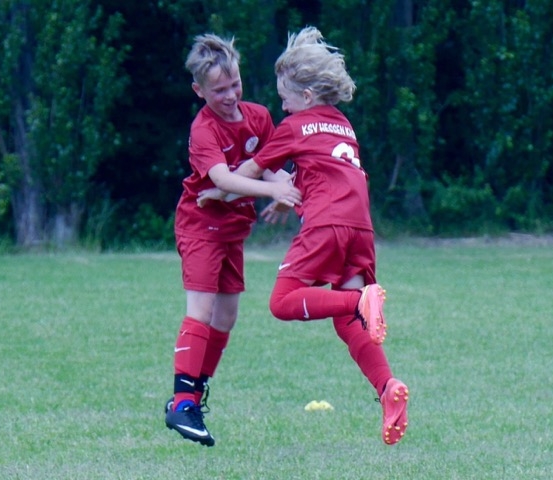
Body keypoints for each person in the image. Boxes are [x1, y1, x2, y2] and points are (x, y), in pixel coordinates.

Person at [197, 26, 409, 445]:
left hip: (327, 225)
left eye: (285, 99)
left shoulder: (294, 126)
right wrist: (287, 198)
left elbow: (251, 171)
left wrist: (218, 191)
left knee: (282, 302)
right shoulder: (344, 125)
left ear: (307, 97)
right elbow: (326, 173)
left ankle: (359, 300)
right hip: (361, 228)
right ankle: (388, 388)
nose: (282, 106)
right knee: (349, 323)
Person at [164, 33, 302, 447]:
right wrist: (272, 189)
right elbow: (222, 179)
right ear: (199, 91)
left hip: (232, 231)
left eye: (234, 85)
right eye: (218, 90)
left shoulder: (258, 117)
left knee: (225, 319)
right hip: (200, 225)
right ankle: (181, 404)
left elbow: (271, 167)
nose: (229, 96)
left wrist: (289, 191)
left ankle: (194, 394)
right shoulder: (203, 129)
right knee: (201, 311)